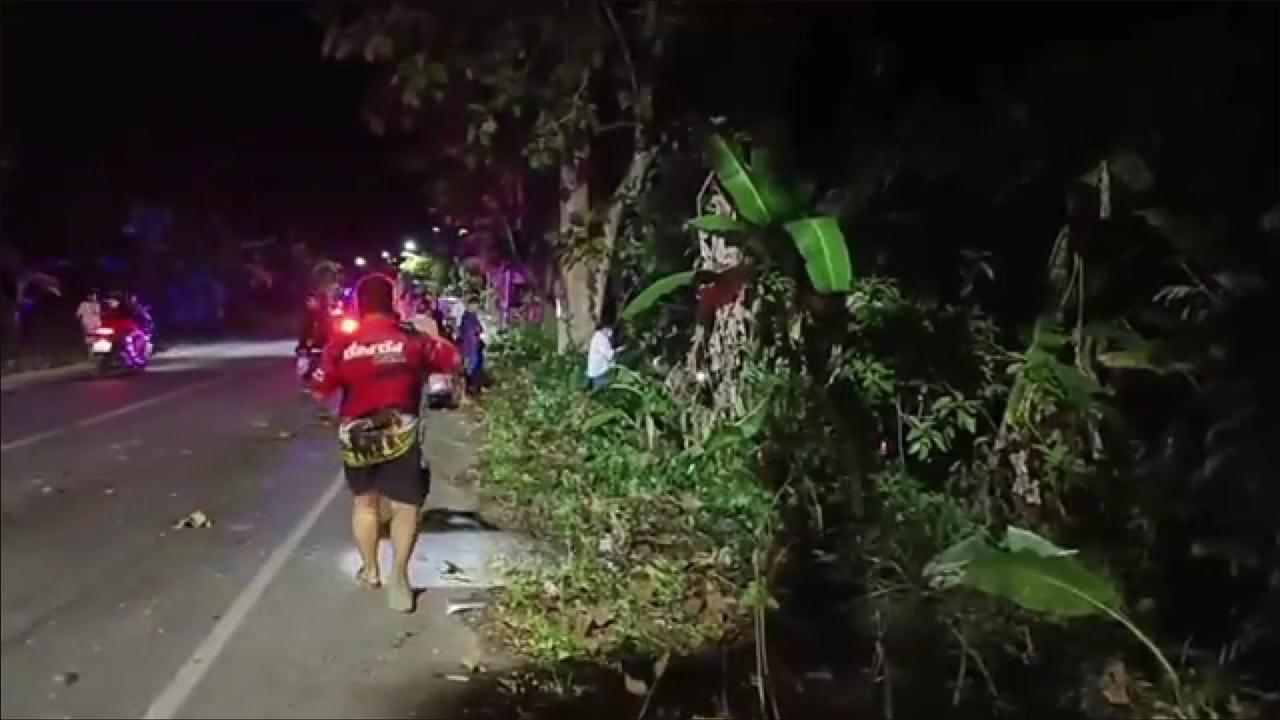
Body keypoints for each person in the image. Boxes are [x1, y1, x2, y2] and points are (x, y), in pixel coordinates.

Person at [310, 274, 460, 613]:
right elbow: (451, 360)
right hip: (400, 430)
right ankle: (400, 579)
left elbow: (320, 388)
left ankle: (371, 571)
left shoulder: (342, 344)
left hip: (356, 433)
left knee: (365, 504)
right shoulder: (411, 338)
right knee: (405, 506)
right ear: (393, 301)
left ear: (358, 305)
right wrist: (432, 333)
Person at [458, 298, 485, 397]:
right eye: (476, 305)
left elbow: (480, 329)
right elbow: (475, 330)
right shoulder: (468, 317)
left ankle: (469, 390)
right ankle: (467, 391)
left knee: (471, 369)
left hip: (472, 347)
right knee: (468, 370)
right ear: (471, 305)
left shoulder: (471, 316)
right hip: (469, 347)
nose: (477, 308)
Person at [586, 322, 619, 391]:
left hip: (599, 370)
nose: (610, 332)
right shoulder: (600, 338)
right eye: (609, 329)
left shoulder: (600, 337)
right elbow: (607, 353)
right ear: (604, 328)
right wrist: (618, 351)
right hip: (599, 371)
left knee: (600, 389)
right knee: (601, 390)